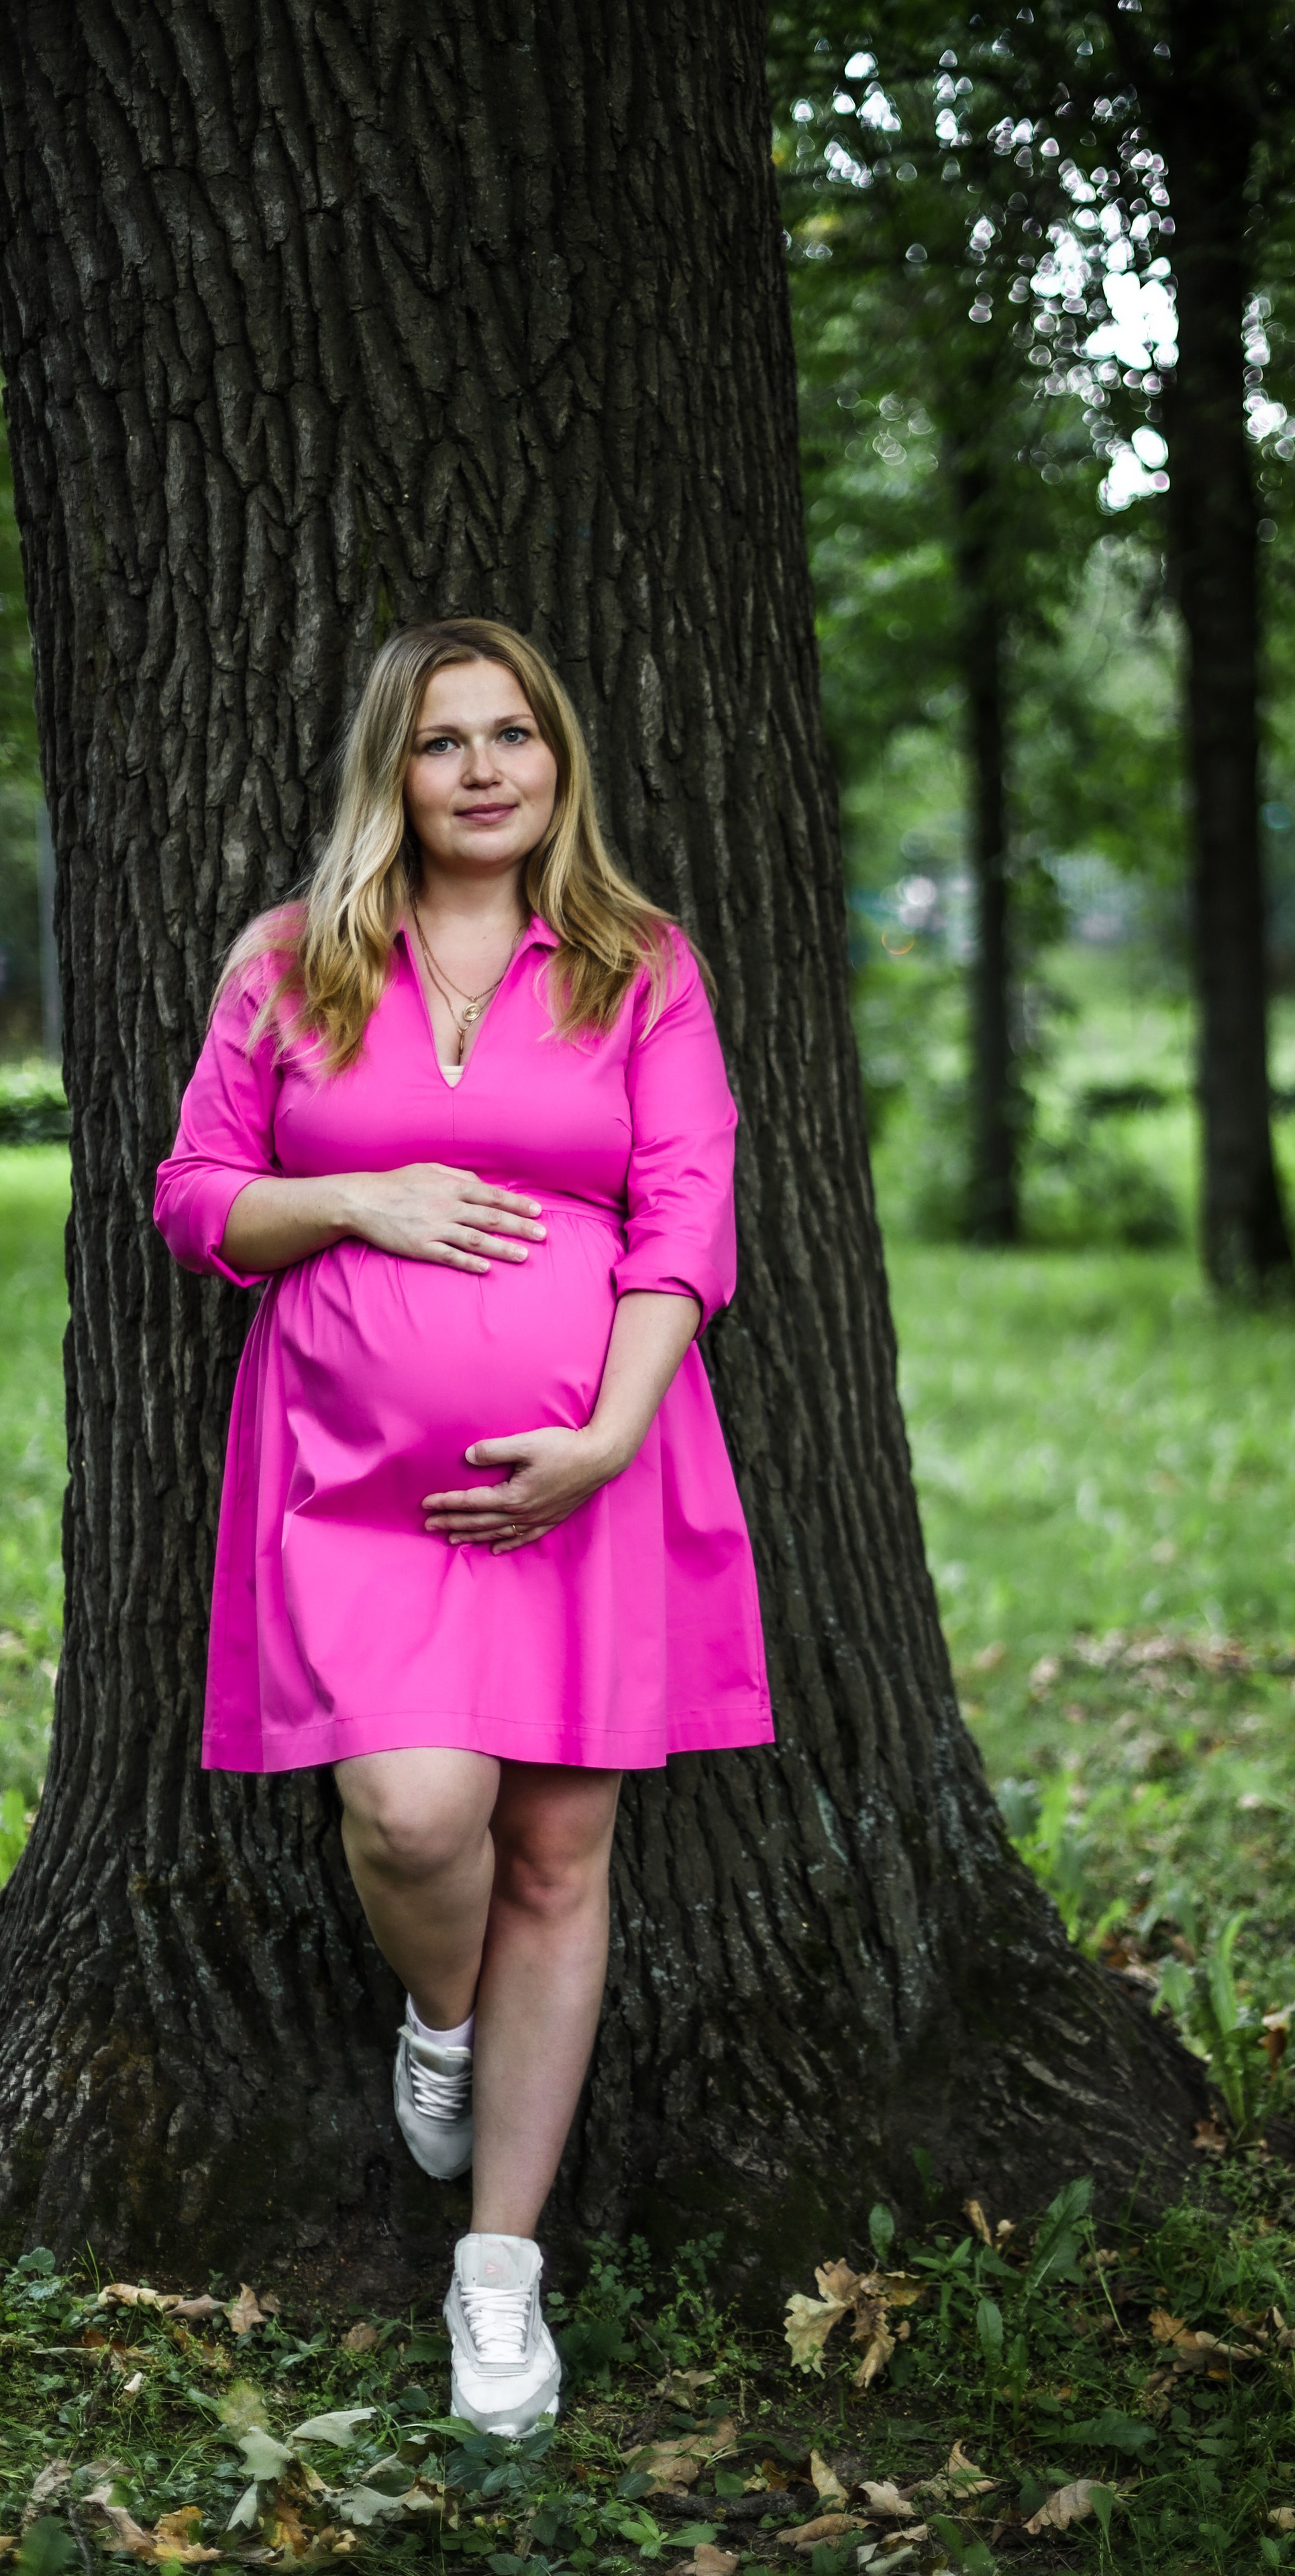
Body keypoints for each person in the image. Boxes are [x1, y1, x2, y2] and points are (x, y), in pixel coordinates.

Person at [154, 616, 772, 2435]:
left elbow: (684, 1215)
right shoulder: (293, 962)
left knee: (563, 1858)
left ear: (560, 762)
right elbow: (198, 1198)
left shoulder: (638, 963)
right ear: (394, 774)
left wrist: (610, 1433)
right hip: (350, 1477)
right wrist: (361, 1197)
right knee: (418, 1817)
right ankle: (442, 2021)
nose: (487, 769)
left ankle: (496, 2277)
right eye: (445, 743)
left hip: (587, 1470)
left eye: (517, 736)